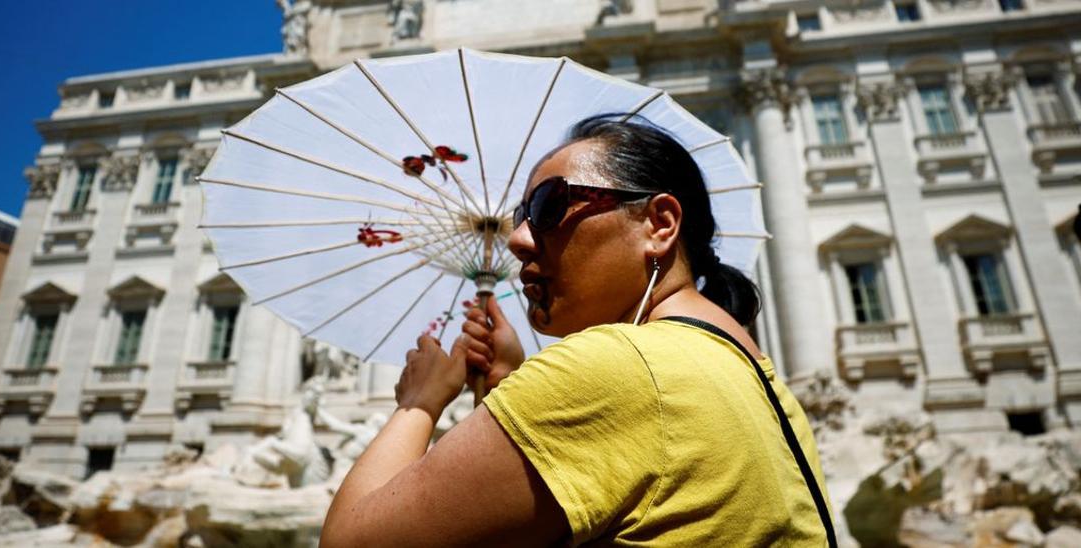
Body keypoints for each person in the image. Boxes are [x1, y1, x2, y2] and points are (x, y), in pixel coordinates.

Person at [321, 114, 834, 546]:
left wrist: (420, 401)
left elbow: (347, 542)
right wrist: (509, 385)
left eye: (548, 206)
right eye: (522, 214)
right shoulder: (751, 374)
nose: (518, 238)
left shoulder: (615, 368)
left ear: (658, 224)